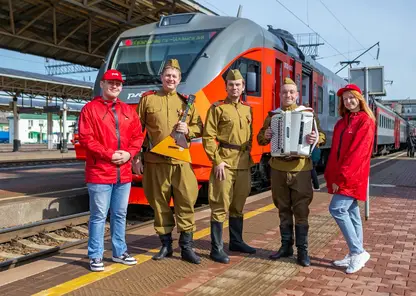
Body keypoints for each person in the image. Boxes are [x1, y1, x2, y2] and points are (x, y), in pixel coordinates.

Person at [135, 59, 203, 264]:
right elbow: (136, 131)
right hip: (155, 161)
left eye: (174, 76)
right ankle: (166, 245)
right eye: (167, 75)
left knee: (186, 202)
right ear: (161, 78)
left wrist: (189, 130)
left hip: (181, 161)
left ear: (179, 79)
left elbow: (200, 127)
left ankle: (187, 247)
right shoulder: (148, 100)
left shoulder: (186, 102)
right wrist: (137, 156)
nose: (170, 79)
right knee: (159, 204)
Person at [78, 69, 144, 272]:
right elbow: (86, 138)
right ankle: (96, 255)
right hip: (100, 172)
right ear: (102, 84)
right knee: (98, 215)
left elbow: (138, 136)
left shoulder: (128, 111)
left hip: (123, 173)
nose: (114, 86)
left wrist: (129, 154)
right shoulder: (90, 109)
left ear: (121, 87)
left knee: (120, 214)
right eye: (110, 83)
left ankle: (119, 251)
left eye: (118, 84)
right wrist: (109, 154)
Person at [257, 77, 326, 267]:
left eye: (291, 92)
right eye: (285, 92)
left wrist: (315, 137)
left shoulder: (308, 114)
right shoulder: (273, 116)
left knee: (301, 209)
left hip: (301, 169)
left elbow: (322, 136)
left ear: (297, 95)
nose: (288, 95)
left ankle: (302, 252)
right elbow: (261, 139)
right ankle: (286, 246)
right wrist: (266, 135)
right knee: (283, 209)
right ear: (280, 94)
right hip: (278, 168)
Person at [202, 69, 256, 264]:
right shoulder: (217, 108)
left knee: (238, 205)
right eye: (231, 85)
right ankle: (216, 248)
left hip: (243, 163)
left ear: (242, 87)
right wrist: (216, 160)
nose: (234, 88)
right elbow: (208, 137)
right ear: (226, 87)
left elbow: (249, 137)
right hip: (224, 162)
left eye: (238, 84)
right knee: (219, 205)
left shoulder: (247, 109)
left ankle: (236, 241)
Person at [324, 83, 375, 274]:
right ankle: (356, 254)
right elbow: (335, 153)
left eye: (351, 97)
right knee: (352, 212)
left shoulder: (365, 121)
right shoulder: (341, 123)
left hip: (352, 176)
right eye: (345, 99)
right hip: (342, 175)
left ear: (359, 98)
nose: (348, 101)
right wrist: (331, 175)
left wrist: (342, 177)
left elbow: (357, 154)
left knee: (336, 209)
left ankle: (357, 251)